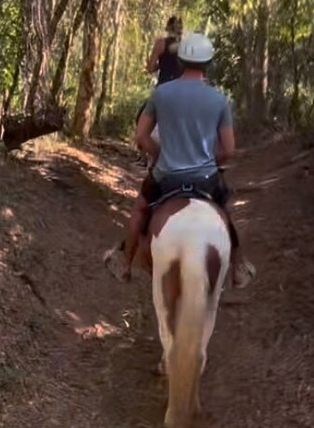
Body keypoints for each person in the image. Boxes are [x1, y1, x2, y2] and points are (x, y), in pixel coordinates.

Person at [105, 31, 255, 289]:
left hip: (166, 175)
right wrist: (209, 160)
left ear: (181, 61)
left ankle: (125, 262)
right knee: (224, 211)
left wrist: (159, 154)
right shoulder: (219, 100)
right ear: (208, 64)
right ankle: (238, 267)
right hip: (205, 178)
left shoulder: (161, 94)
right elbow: (229, 149)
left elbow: (141, 136)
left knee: (141, 207)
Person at [146, 16, 184, 86]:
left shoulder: (160, 43)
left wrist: (159, 65)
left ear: (167, 28)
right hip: (181, 87)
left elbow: (151, 68)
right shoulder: (186, 45)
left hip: (164, 84)